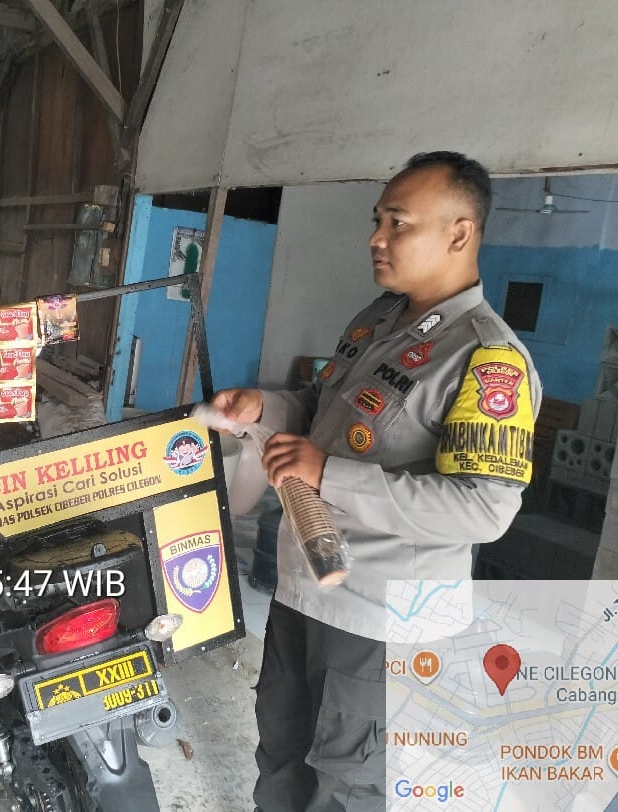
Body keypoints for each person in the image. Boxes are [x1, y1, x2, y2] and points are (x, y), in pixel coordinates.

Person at [211, 151, 541, 811]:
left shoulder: (486, 359)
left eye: (398, 223)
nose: (376, 238)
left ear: (459, 233)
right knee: (280, 754)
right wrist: (264, 407)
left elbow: (483, 510)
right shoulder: (377, 321)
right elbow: (323, 412)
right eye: (378, 221)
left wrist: (327, 474)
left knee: (348, 785)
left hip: (384, 622)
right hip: (306, 588)